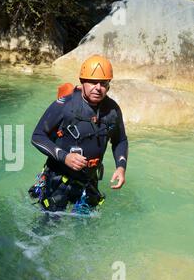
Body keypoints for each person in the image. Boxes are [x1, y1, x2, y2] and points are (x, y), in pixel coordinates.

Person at [29, 55, 128, 213]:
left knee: (87, 230)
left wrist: (121, 167)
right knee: (48, 229)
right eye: (92, 82)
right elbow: (37, 136)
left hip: (89, 182)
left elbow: (120, 140)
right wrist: (65, 157)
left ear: (109, 86)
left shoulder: (112, 111)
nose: (98, 87)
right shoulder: (64, 106)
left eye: (103, 83)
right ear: (82, 82)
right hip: (58, 181)